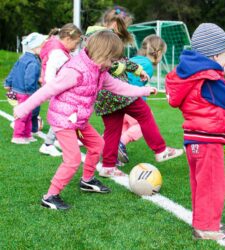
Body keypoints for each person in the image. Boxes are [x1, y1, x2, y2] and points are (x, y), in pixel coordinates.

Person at [13, 30, 157, 210]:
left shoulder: (100, 70)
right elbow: (47, 90)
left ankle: (87, 180)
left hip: (78, 120)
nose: (115, 64)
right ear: (102, 54)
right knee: (72, 159)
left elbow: (118, 87)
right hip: (63, 120)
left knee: (98, 145)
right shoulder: (75, 71)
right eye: (113, 60)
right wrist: (23, 108)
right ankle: (50, 196)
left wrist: (144, 90)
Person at [165, 23, 225, 240]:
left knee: (201, 184)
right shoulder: (208, 77)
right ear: (215, 55)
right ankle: (206, 227)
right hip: (207, 142)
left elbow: (204, 105)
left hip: (194, 139)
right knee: (211, 184)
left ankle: (204, 220)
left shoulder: (192, 75)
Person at [90, 7, 183, 178]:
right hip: (118, 91)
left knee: (113, 129)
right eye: (125, 26)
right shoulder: (109, 39)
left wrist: (137, 69)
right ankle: (161, 150)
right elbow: (116, 64)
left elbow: (121, 61)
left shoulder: (95, 38)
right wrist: (137, 77)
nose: (126, 30)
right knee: (144, 114)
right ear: (116, 25)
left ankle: (107, 166)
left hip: (103, 95)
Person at [118, 34, 167, 164]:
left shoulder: (136, 59)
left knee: (122, 126)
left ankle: (108, 147)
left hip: (117, 99)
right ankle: (120, 143)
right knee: (143, 124)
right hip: (129, 100)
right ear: (159, 52)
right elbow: (133, 84)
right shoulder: (148, 66)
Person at [38, 23, 83, 157]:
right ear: (68, 39)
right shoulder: (58, 52)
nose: (76, 47)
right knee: (62, 116)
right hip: (57, 90)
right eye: (76, 43)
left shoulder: (60, 50)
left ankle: (58, 140)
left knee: (67, 115)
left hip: (58, 89)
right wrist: (52, 89)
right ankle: (47, 144)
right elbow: (50, 72)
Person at [4, 32, 47, 144]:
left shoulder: (23, 57)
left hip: (19, 90)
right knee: (24, 115)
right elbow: (29, 79)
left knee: (28, 114)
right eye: (43, 47)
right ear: (36, 47)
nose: (44, 49)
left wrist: (8, 83)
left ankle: (27, 135)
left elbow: (13, 70)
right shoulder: (33, 62)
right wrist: (33, 94)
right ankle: (18, 136)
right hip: (26, 92)